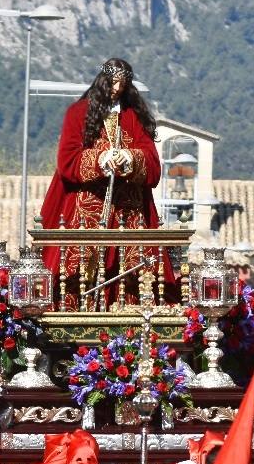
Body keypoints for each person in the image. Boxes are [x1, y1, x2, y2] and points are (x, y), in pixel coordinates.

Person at [39, 58, 167, 308]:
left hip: (129, 212)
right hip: (87, 209)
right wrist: (101, 159)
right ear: (103, 80)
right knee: (78, 272)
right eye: (113, 81)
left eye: (123, 83)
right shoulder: (78, 113)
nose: (117, 88)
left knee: (131, 272)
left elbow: (152, 163)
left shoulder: (135, 117)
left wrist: (130, 157)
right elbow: (67, 160)